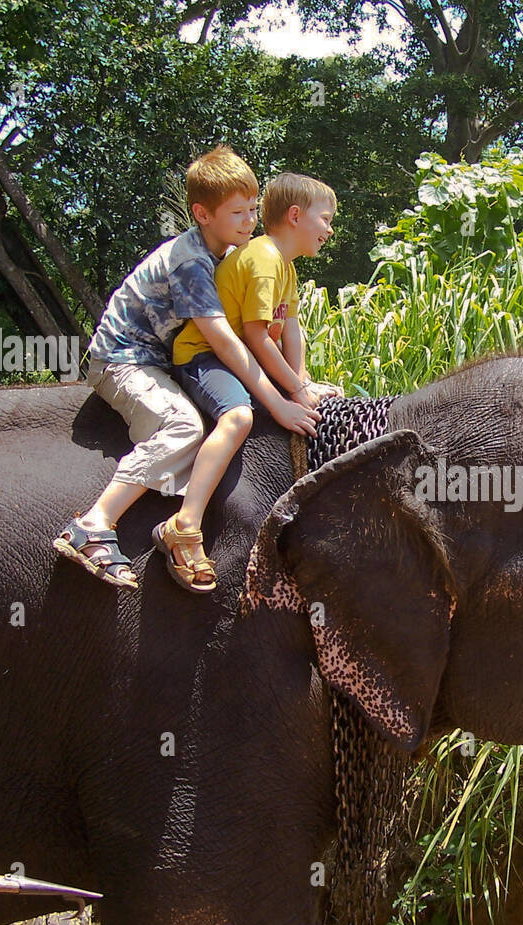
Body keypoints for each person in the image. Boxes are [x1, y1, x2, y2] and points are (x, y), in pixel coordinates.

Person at [53, 147, 319, 592]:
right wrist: (280, 400)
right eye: (237, 212)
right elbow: (225, 342)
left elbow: (268, 326)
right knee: (182, 426)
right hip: (126, 360)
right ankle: (95, 523)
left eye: (253, 209)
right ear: (201, 213)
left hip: (165, 359)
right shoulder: (192, 262)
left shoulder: (230, 256)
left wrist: (300, 383)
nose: (249, 220)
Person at [168, 172, 342, 575]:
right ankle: (186, 523)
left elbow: (290, 329)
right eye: (326, 219)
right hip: (204, 356)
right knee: (239, 417)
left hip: (238, 357)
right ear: (296, 216)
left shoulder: (286, 267)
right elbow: (257, 336)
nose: (329, 230)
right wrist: (290, 394)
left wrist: (303, 382)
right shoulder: (264, 260)